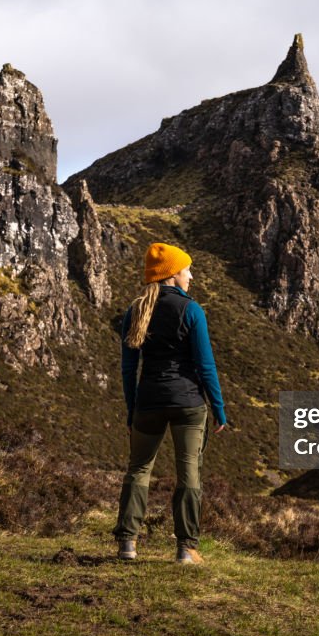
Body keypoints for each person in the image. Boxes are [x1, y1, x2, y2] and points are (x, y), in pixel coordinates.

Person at [112, 242, 227, 565]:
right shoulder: (191, 310)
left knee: (138, 469)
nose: (191, 275)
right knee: (189, 474)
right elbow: (205, 366)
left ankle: (127, 544)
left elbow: (128, 367)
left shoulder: (135, 310)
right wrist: (218, 409)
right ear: (174, 274)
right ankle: (186, 548)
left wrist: (132, 408)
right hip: (188, 404)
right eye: (187, 269)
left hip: (148, 401)